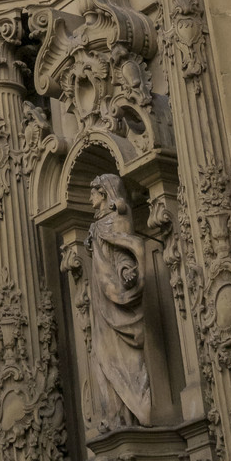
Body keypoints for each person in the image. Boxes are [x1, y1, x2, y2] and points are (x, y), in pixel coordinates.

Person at [86, 175, 151, 432]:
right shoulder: (96, 227)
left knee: (126, 360)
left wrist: (127, 273)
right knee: (102, 357)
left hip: (116, 300)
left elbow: (123, 255)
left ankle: (133, 413)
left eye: (93, 192)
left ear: (104, 193)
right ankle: (115, 417)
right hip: (101, 305)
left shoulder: (117, 220)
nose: (89, 198)